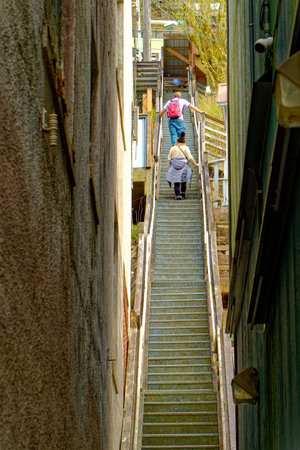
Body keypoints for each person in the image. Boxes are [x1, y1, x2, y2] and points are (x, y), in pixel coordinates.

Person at [166, 132, 199, 200]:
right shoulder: (186, 148)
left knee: (176, 182)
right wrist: (195, 164)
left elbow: (169, 159)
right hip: (183, 166)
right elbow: (189, 158)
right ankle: (183, 194)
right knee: (183, 181)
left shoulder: (173, 148)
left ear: (177, 141)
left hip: (174, 166)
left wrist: (169, 167)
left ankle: (177, 195)